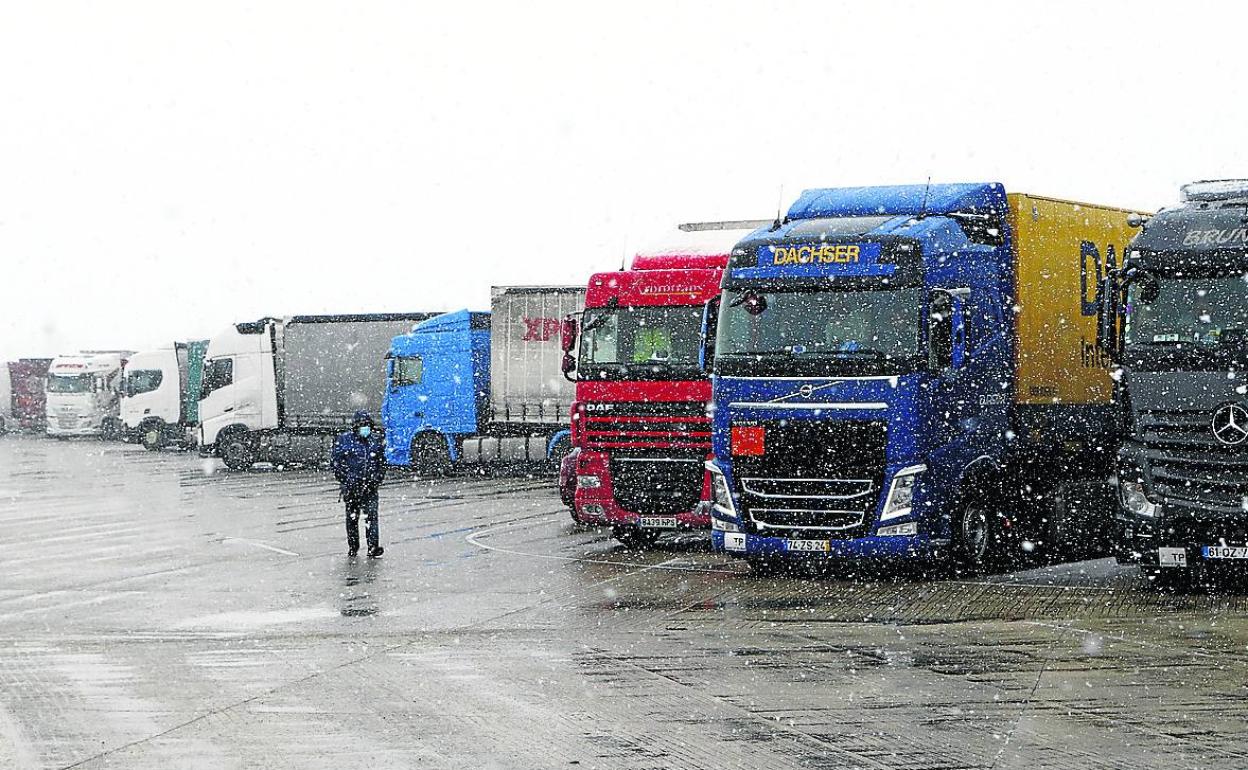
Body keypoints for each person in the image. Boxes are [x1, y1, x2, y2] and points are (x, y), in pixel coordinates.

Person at [330, 410, 387, 557]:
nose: (365, 428)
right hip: (352, 488)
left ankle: (373, 546)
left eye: (367, 425)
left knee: (372, 516)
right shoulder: (345, 440)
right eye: (362, 425)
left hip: (370, 486)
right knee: (352, 518)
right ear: (355, 427)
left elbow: (381, 463)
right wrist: (346, 479)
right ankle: (353, 546)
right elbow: (336, 462)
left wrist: (376, 479)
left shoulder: (375, 441)